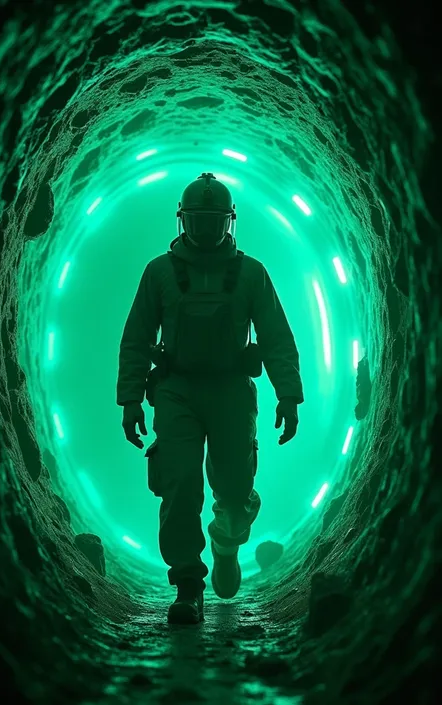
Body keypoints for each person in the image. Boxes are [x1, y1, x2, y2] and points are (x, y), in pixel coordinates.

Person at [117, 172, 304, 624]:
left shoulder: (251, 274)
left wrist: (289, 395)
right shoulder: (158, 273)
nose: (205, 231)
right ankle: (187, 584)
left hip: (231, 391)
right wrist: (130, 398)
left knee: (236, 490)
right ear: (184, 221)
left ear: (228, 223)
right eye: (198, 222)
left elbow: (276, 336)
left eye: (213, 222)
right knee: (180, 484)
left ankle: (226, 541)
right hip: (177, 391)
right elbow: (138, 336)